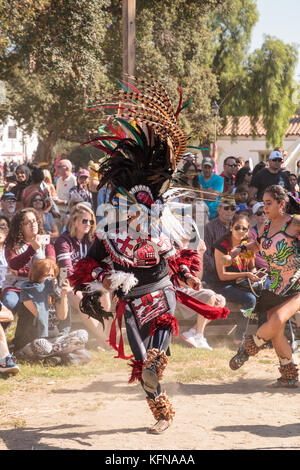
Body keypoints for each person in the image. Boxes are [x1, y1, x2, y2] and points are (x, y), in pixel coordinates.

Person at [68, 78, 229, 435]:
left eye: (142, 209)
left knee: (155, 357)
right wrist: (101, 280)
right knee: (142, 365)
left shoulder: (160, 232)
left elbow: (181, 256)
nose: (136, 215)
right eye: (130, 209)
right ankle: (163, 413)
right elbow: (85, 268)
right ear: (123, 207)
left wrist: (187, 276)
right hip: (131, 304)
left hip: (160, 295)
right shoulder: (108, 234)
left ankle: (160, 382)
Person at [229, 185, 300, 387]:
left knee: (277, 318)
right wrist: (241, 249)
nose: (265, 208)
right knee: (275, 328)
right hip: (276, 284)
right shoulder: (266, 226)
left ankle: (248, 348)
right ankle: (289, 376)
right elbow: (259, 245)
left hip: (297, 282)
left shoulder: (295, 223)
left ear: (282, 204)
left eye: (269, 203)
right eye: (263, 203)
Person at [13, 259, 90, 365]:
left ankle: (54, 358)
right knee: (43, 345)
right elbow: (39, 313)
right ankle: (65, 355)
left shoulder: (55, 292)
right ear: (37, 275)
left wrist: (63, 295)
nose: (50, 279)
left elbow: (62, 316)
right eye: (46, 275)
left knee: (82, 334)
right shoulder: (27, 290)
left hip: (55, 339)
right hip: (34, 341)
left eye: (52, 275)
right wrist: (47, 289)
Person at [54, 203, 110, 349]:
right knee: (81, 299)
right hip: (66, 280)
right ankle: (106, 340)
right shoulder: (63, 240)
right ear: (74, 221)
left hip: (87, 280)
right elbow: (66, 269)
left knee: (104, 294)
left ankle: (100, 339)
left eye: (91, 221)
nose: (88, 224)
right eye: (84, 221)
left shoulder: (91, 240)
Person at [212, 213, 262, 343]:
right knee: (250, 299)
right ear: (230, 227)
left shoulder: (247, 245)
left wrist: (254, 275)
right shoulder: (221, 246)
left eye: (244, 229)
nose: (240, 231)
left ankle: (264, 337)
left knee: (266, 292)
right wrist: (246, 275)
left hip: (240, 284)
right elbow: (222, 276)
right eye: (237, 227)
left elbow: (252, 267)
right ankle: (239, 339)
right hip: (222, 285)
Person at [2, 208, 56, 318]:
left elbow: (50, 265)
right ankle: (3, 331)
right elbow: (13, 264)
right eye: (28, 222)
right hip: (16, 286)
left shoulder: (45, 240)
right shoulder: (12, 243)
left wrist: (21, 272)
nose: (33, 224)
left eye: (34, 220)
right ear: (20, 226)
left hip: (39, 284)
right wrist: (32, 249)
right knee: (10, 302)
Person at [177, 238, 226, 350]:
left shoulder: (190, 252)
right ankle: (199, 336)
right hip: (177, 291)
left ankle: (193, 332)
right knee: (209, 296)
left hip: (190, 289)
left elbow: (198, 278)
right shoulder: (173, 251)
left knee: (221, 301)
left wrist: (200, 254)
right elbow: (180, 280)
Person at [0, 216, 19, 374]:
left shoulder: (10, 248)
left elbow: (9, 316)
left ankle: (5, 359)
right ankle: (5, 358)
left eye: (4, 227)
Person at [203, 197, 236, 285]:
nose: (229, 211)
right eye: (226, 208)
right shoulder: (209, 228)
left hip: (235, 272)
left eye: (232, 208)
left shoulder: (237, 226)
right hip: (215, 274)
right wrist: (221, 268)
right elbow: (206, 254)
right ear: (219, 209)